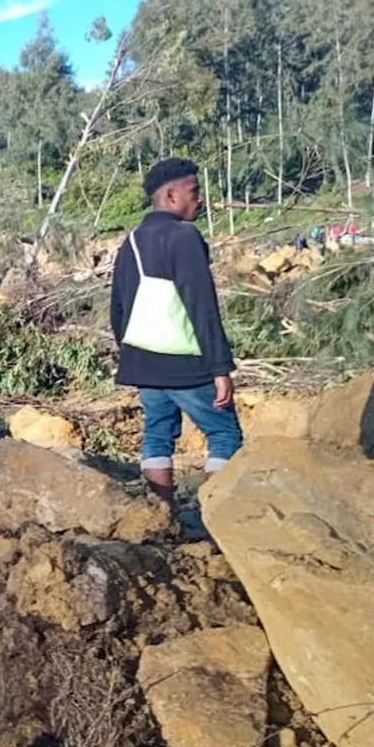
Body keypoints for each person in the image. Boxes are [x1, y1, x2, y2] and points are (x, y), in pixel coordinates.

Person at [109, 158, 243, 504]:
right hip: (186, 363)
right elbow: (201, 305)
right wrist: (220, 368)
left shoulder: (132, 241)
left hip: (144, 361)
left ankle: (162, 515)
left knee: (157, 434)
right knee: (224, 433)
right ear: (170, 195)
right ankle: (214, 517)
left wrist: (133, 355)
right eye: (194, 191)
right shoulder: (184, 237)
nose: (200, 200)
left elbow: (119, 307)